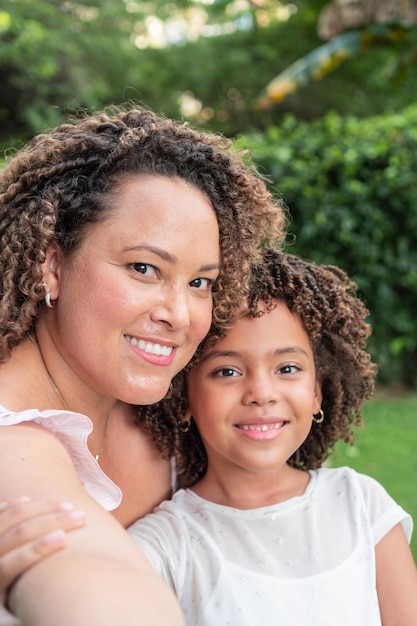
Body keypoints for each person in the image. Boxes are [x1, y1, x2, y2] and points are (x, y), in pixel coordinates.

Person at [2, 250, 416, 624]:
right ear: (183, 399)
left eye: (287, 369)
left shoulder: (362, 506)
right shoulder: (165, 544)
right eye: (227, 372)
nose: (261, 394)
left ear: (316, 393)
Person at [0, 105, 285, 626]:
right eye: (144, 268)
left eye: (200, 282)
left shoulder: (168, 414)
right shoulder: (12, 443)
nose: (179, 315)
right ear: (52, 263)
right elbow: (94, 581)